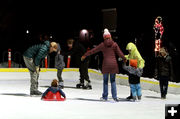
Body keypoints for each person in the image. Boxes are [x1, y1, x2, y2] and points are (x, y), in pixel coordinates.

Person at [81, 28, 126, 101]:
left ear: (104, 37)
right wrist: (124, 58)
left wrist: (85, 55)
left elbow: (93, 51)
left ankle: (105, 97)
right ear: (110, 36)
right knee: (113, 81)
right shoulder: (114, 44)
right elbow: (120, 53)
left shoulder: (102, 45)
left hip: (106, 65)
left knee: (105, 81)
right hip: (113, 65)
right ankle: (114, 97)